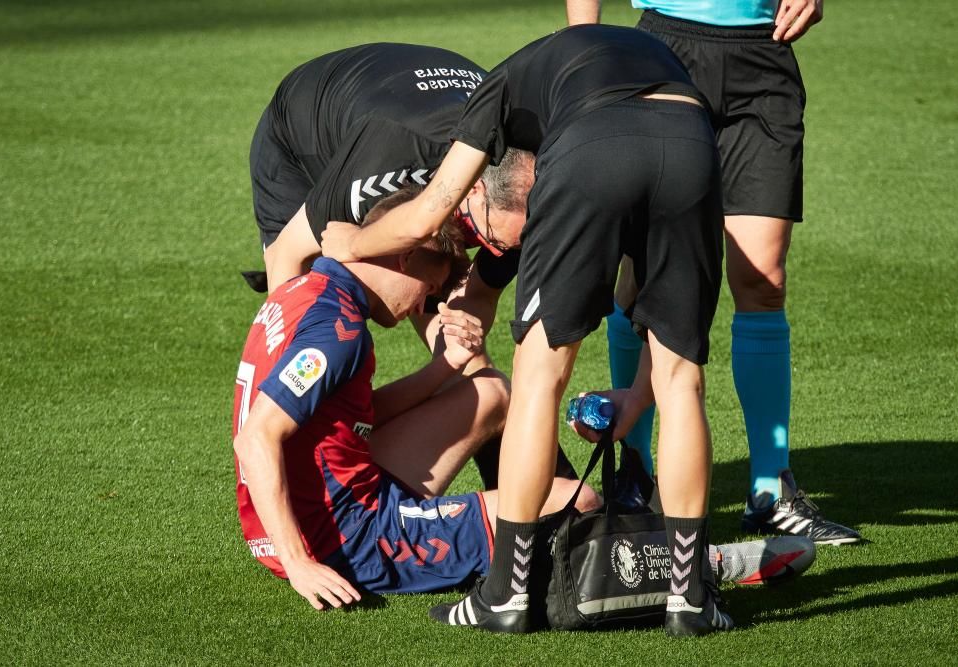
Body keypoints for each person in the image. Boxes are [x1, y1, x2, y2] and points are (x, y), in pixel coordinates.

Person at [321, 25, 732, 636]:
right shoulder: (644, 61)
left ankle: (506, 595)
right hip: (693, 145)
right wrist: (634, 395)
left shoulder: (501, 82)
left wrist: (351, 239)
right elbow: (638, 280)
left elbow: (435, 206)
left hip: (591, 144)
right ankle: (689, 598)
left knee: (540, 376)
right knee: (681, 381)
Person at [565, 0, 863, 545]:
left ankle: (772, 492)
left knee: (763, 278)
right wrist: (586, 52)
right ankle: (635, 473)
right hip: (662, 55)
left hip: (764, 54)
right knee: (641, 273)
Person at [231, 189, 601, 609]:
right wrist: (299, 563)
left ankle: (513, 503)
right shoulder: (338, 332)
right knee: (579, 501)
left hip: (304, 514)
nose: (422, 305)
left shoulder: (304, 291)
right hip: (348, 538)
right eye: (429, 288)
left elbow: (351, 416)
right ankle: (518, 525)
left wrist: (444, 367)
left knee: (491, 392)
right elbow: (255, 438)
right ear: (405, 260)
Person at [248, 43, 581, 488]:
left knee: (462, 347)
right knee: (323, 305)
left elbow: (474, 301)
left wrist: (463, 360)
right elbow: (291, 256)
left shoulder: (529, 197)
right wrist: (282, 412)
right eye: (486, 240)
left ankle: (522, 483)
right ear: (473, 193)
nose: (490, 251)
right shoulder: (387, 161)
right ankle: (296, 461)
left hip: (429, 138)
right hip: (306, 137)